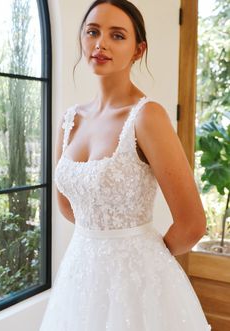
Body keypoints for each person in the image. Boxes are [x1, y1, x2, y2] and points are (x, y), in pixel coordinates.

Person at [39, 0, 212, 330]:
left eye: (117, 35)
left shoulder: (147, 117)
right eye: (93, 32)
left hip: (138, 281)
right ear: (82, 38)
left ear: (138, 50)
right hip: (80, 273)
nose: (100, 43)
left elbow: (192, 224)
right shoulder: (69, 120)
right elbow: (67, 205)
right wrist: (100, 241)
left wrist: (141, 257)